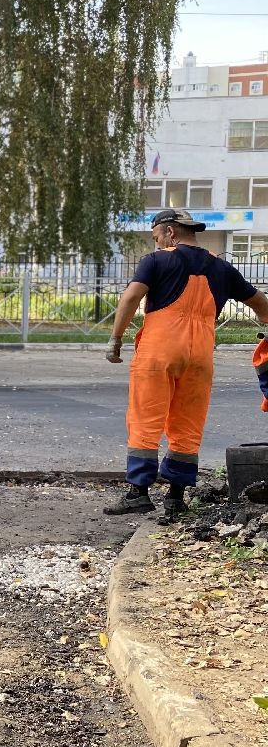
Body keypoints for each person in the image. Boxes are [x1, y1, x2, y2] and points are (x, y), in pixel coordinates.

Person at [104, 209, 268, 520]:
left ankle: (138, 493)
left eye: (156, 237)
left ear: (170, 232)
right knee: (188, 424)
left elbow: (131, 297)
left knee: (145, 419)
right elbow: (260, 303)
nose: (156, 243)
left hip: (159, 353)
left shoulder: (156, 261)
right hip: (200, 357)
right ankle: (176, 498)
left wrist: (115, 339)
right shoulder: (222, 267)